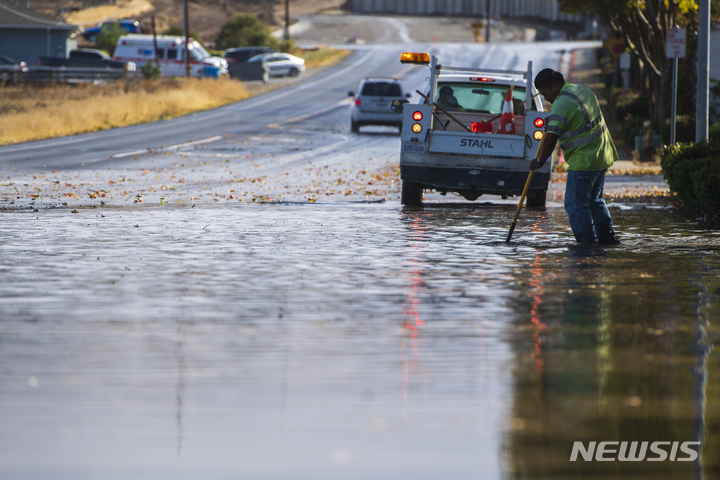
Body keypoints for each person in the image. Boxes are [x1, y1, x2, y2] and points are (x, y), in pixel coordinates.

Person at [529, 68, 621, 245]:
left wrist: (540, 160)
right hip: (602, 155)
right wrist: (554, 119)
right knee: (595, 201)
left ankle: (587, 244)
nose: (545, 98)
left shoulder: (562, 103)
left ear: (554, 86)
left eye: (545, 93)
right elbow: (575, 119)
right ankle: (608, 239)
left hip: (584, 161)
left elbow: (550, 139)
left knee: (575, 205)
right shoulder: (581, 90)